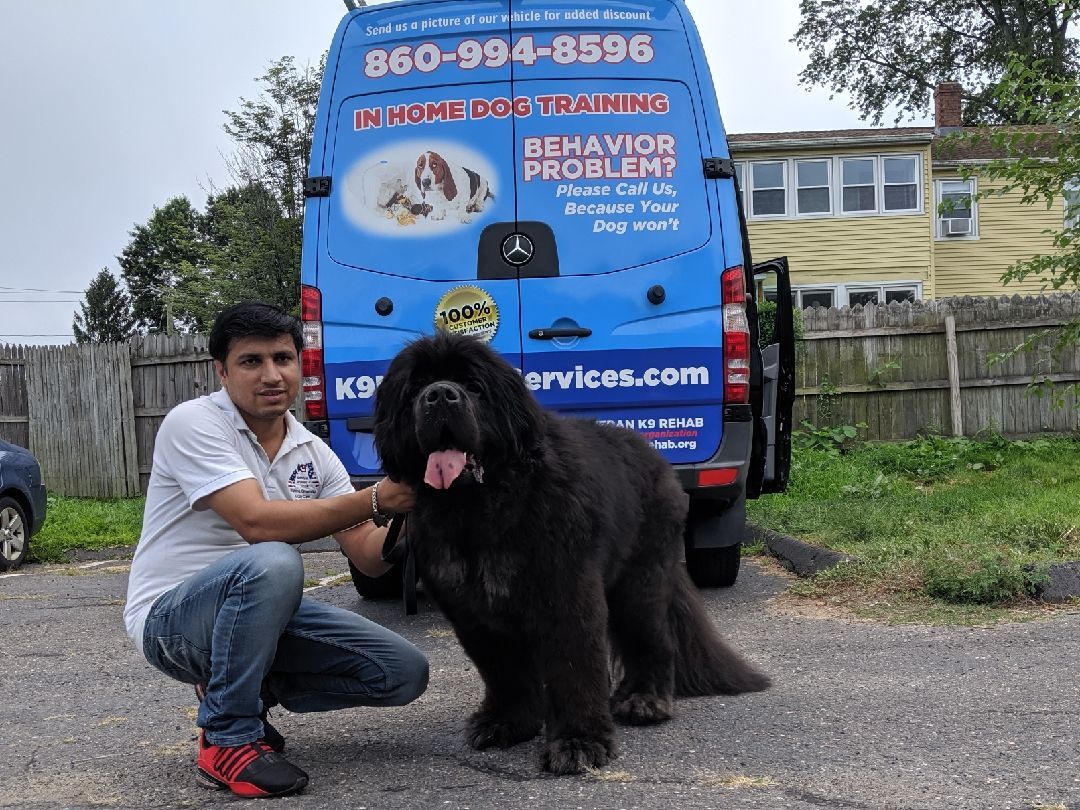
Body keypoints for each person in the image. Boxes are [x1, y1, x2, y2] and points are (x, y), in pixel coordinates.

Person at [123, 301, 428, 798]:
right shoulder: (194, 422)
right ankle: (227, 737)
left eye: (283, 359)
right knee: (274, 559)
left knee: (402, 673)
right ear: (221, 370)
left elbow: (370, 557)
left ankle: (238, 691)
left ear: (298, 364)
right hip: (171, 620)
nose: (272, 375)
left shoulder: (312, 451)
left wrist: (419, 505)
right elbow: (256, 523)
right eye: (251, 361)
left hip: (260, 616)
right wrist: (376, 497)